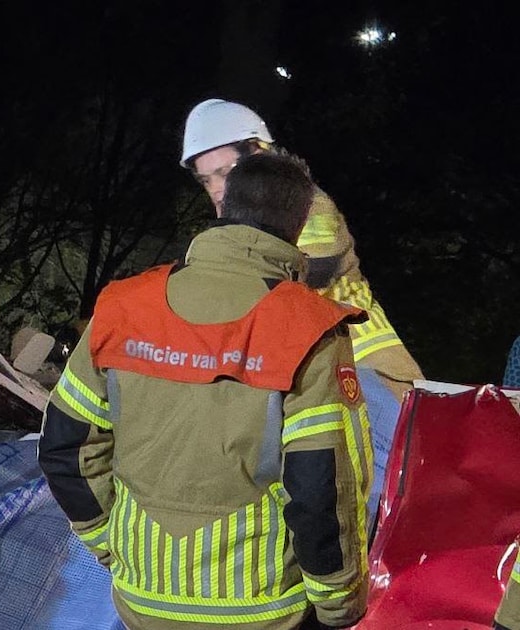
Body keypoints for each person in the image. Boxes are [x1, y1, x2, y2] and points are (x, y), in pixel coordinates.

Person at [40, 153, 372, 630]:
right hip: (262, 607)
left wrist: (109, 542)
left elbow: (65, 445)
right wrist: (338, 602)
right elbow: (321, 481)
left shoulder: (121, 307)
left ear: (224, 208)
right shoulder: (310, 329)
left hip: (142, 600)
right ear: (298, 226)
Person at [181, 98, 423, 403]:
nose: (217, 189)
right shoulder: (236, 225)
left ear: (259, 155)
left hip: (366, 362)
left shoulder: (307, 203)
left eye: (226, 171)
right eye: (206, 179)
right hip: (313, 366)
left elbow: (315, 269)